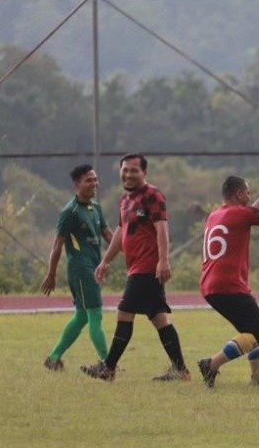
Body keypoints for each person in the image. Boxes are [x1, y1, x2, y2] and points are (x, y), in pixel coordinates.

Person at [81, 154, 190, 383]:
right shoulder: (125, 200)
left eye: (134, 170)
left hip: (148, 268)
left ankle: (108, 368)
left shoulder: (153, 195)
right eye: (125, 170)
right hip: (136, 268)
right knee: (159, 318)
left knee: (124, 312)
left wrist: (163, 261)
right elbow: (121, 234)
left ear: (144, 173)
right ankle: (180, 369)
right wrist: (105, 260)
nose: (129, 174)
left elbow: (162, 229)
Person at [196, 168, 259, 388]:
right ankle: (211, 364)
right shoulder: (240, 214)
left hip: (210, 285)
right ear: (239, 194)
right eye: (248, 192)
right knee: (258, 331)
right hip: (228, 284)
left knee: (248, 331)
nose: (250, 196)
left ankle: (258, 376)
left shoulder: (216, 214)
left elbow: (248, 214)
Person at [40, 164, 113, 371]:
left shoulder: (96, 208)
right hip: (81, 270)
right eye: (89, 180)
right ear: (77, 184)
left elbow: (108, 235)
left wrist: (131, 252)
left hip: (93, 267)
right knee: (95, 315)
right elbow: (57, 245)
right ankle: (107, 363)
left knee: (82, 316)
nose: (94, 184)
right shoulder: (69, 212)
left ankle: (53, 358)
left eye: (95, 179)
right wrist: (51, 274)